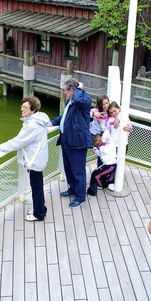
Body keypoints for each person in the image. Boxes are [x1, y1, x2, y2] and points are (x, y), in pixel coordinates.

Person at [0, 96, 50, 222]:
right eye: (22, 106)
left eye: (25, 107)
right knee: (38, 186)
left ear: (33, 109)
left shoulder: (32, 125)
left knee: (36, 188)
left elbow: (18, 142)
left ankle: (39, 214)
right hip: (38, 158)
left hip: (34, 160)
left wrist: (0, 147)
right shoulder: (38, 119)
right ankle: (40, 208)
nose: (21, 109)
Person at [49, 78, 93, 208]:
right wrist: (52, 123)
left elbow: (80, 100)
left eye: (65, 91)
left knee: (78, 170)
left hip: (77, 141)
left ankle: (80, 196)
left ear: (72, 90)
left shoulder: (84, 101)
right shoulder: (70, 101)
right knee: (68, 167)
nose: (64, 93)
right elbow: (64, 116)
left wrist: (79, 88)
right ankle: (72, 188)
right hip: (66, 140)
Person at [87, 131, 117, 196]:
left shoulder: (110, 142)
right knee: (96, 173)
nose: (99, 143)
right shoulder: (101, 147)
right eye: (97, 143)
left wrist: (103, 140)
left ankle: (97, 188)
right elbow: (101, 155)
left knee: (95, 175)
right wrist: (95, 150)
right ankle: (102, 184)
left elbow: (107, 131)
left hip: (110, 165)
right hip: (108, 165)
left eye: (99, 141)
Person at [90, 94, 111, 166]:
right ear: (99, 105)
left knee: (104, 153)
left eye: (107, 103)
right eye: (103, 104)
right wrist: (94, 114)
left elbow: (118, 109)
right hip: (95, 134)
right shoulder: (96, 110)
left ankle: (103, 169)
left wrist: (117, 118)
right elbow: (87, 113)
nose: (105, 105)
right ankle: (100, 169)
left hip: (105, 134)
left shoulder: (109, 110)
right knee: (101, 153)